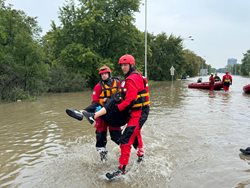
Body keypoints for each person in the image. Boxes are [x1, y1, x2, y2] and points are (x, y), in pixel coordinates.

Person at [82, 54, 150, 179]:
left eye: (126, 65)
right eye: (122, 65)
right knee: (133, 133)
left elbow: (129, 100)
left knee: (125, 139)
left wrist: (115, 109)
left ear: (131, 65)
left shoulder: (130, 79)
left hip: (138, 112)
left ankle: (122, 169)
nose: (123, 67)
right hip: (134, 112)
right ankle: (141, 156)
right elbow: (98, 101)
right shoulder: (129, 78)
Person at [82, 65, 122, 162]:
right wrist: (86, 111)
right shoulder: (98, 87)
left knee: (116, 137)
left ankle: (126, 151)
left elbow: (122, 97)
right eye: (102, 74)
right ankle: (103, 159)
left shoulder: (118, 83)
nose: (104, 76)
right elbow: (95, 102)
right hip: (101, 114)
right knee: (100, 137)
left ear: (109, 74)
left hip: (114, 114)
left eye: (105, 74)